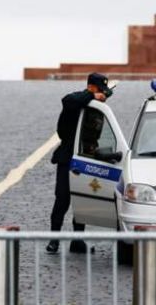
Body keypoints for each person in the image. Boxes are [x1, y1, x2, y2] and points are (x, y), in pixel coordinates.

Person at [46, 73, 112, 254]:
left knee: (81, 201)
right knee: (62, 199)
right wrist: (92, 96)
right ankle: (54, 240)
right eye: (99, 90)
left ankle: (77, 240)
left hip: (87, 158)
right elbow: (67, 100)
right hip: (68, 158)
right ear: (91, 87)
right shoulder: (78, 101)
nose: (102, 95)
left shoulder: (96, 107)